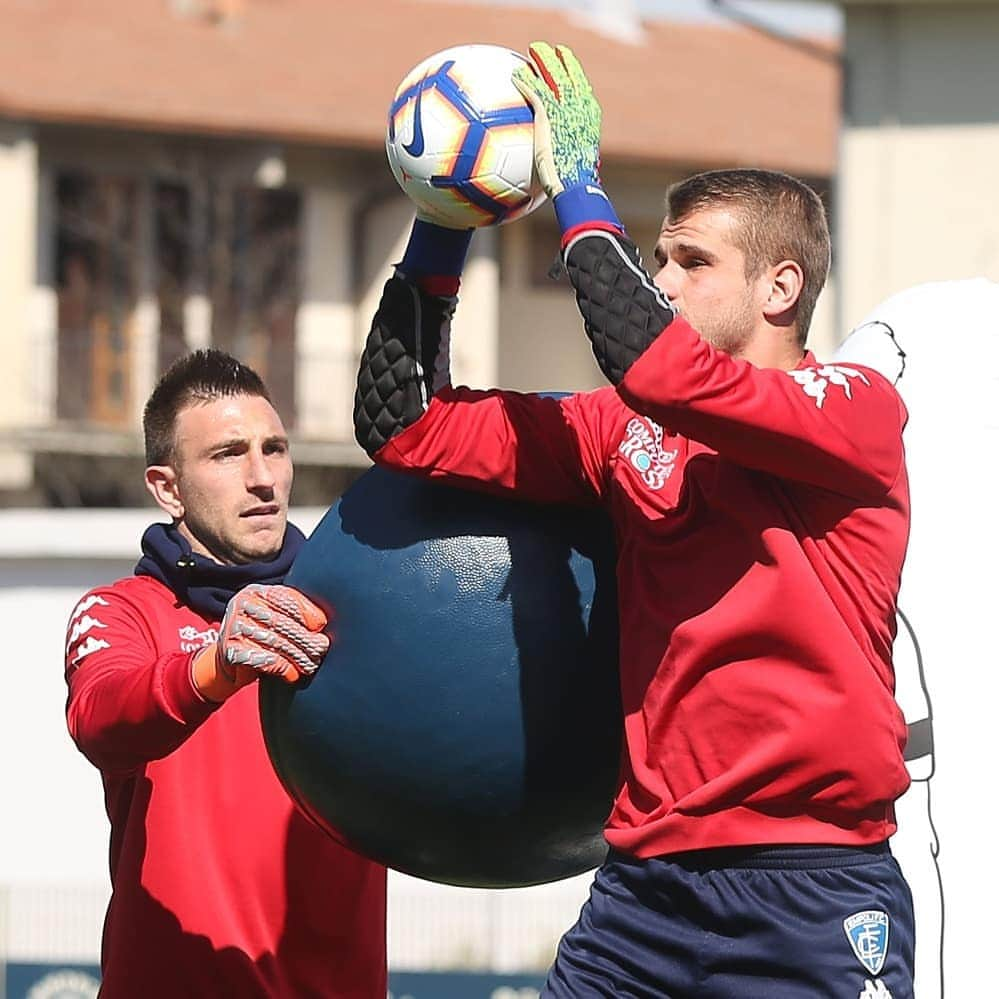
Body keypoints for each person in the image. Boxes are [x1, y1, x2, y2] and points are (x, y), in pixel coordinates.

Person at [354, 42, 914, 999]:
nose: (662, 278)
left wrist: (578, 192)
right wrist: (443, 226)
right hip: (644, 891)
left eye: (692, 262)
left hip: (811, 887)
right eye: (658, 256)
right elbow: (403, 425)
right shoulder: (622, 432)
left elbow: (654, 364)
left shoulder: (854, 408)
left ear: (779, 287)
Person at [64, 349, 386, 998]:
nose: (263, 476)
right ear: (167, 486)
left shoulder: (356, 611)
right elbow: (101, 720)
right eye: (227, 454)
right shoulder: (121, 611)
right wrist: (214, 664)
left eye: (274, 447)